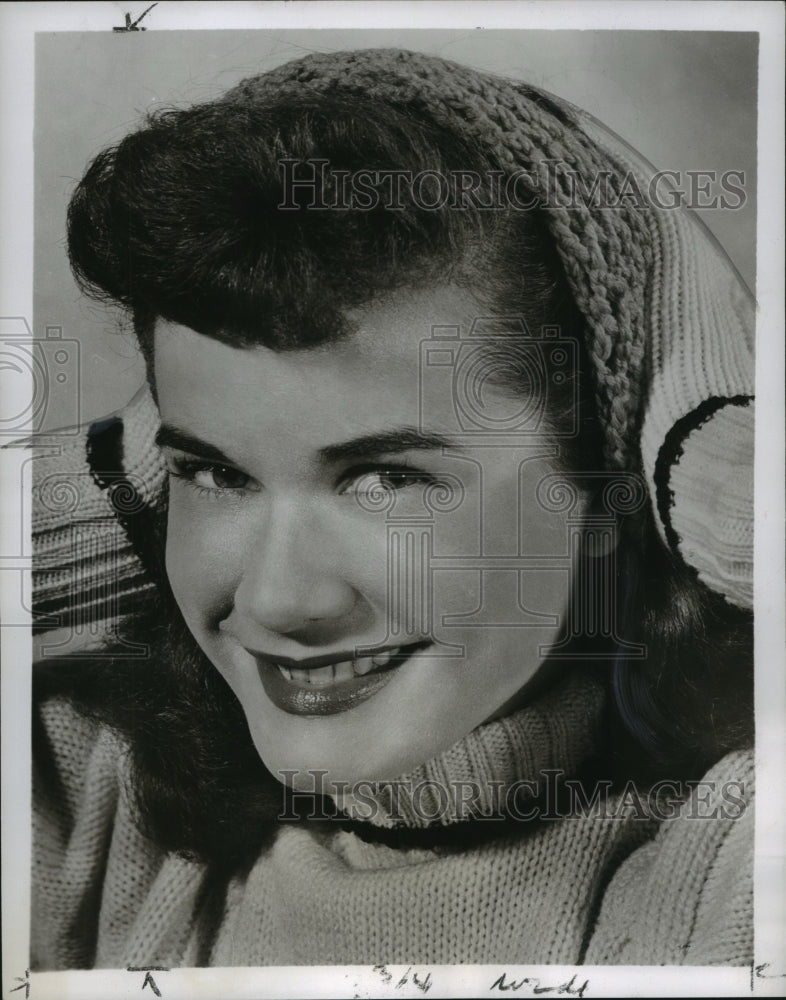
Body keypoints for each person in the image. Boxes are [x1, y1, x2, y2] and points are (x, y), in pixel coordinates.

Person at [30, 48, 754, 969]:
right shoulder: (83, 787)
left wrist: (705, 445)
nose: (280, 601)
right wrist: (129, 475)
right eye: (213, 475)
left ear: (609, 484)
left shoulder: (739, 857)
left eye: (385, 479)